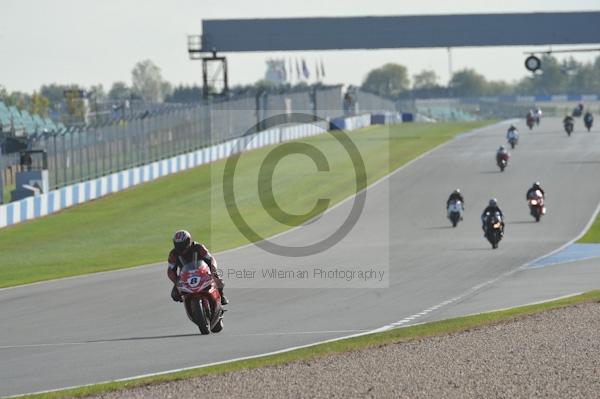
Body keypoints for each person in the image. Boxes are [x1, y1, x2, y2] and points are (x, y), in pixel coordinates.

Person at [167, 230, 228, 305]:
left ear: (188, 241)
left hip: (202, 271)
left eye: (182, 244)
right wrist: (176, 281)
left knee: (218, 280)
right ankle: (189, 303)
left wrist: (213, 269)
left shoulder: (198, 247)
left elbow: (211, 259)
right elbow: (170, 270)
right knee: (175, 295)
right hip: (185, 276)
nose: (180, 247)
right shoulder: (173, 254)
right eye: (178, 244)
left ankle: (221, 296)